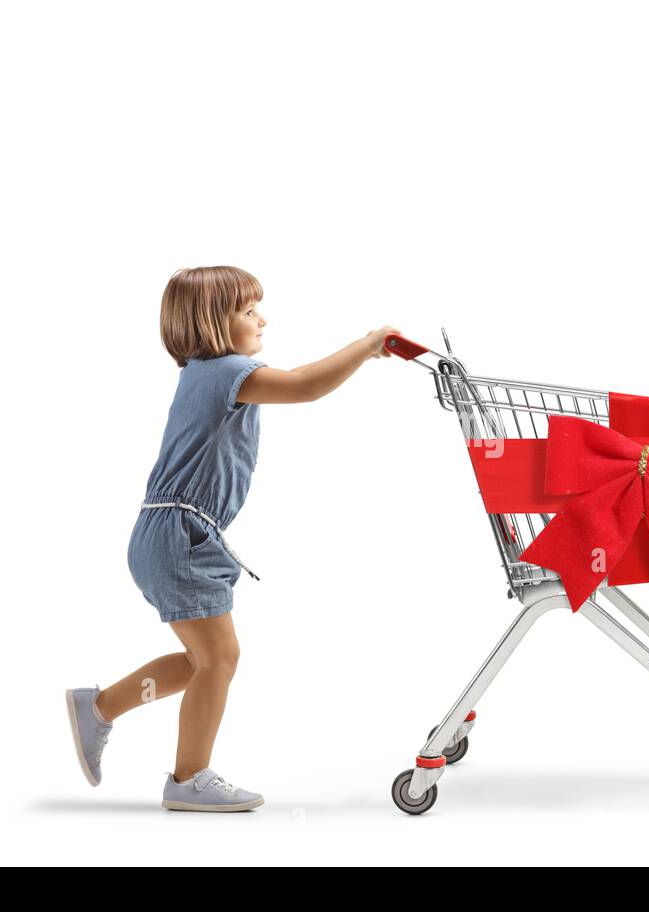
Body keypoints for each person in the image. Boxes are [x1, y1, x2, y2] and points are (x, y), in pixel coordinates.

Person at [65, 265, 399, 811]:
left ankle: (98, 707)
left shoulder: (204, 372)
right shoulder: (229, 372)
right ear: (213, 324)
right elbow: (305, 386)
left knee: (205, 660)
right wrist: (366, 346)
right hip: (180, 536)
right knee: (219, 659)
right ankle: (188, 778)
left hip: (172, 533)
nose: (262, 318)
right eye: (249, 311)